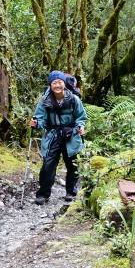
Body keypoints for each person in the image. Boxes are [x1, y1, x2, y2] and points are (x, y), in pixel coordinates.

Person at [31, 70, 88, 205]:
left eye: (60, 82)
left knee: (72, 165)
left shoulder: (74, 99)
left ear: (64, 84)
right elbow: (40, 118)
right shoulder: (45, 101)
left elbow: (81, 116)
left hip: (71, 135)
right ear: (50, 85)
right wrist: (36, 123)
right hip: (53, 136)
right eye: (54, 83)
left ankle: (71, 192)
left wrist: (80, 126)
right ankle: (43, 194)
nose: (57, 85)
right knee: (48, 165)